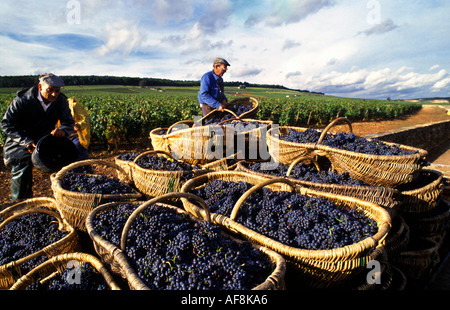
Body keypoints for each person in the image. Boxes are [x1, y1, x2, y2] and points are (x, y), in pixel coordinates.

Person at [1, 73, 75, 201]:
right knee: (22, 165)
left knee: (63, 162)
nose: (54, 94)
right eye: (50, 90)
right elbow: (7, 124)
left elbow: (68, 122)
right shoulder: (23, 100)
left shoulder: (60, 101)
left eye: (57, 91)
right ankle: (19, 205)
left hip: (44, 140)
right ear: (40, 87)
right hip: (20, 140)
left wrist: (62, 130)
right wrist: (26, 141)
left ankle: (65, 200)